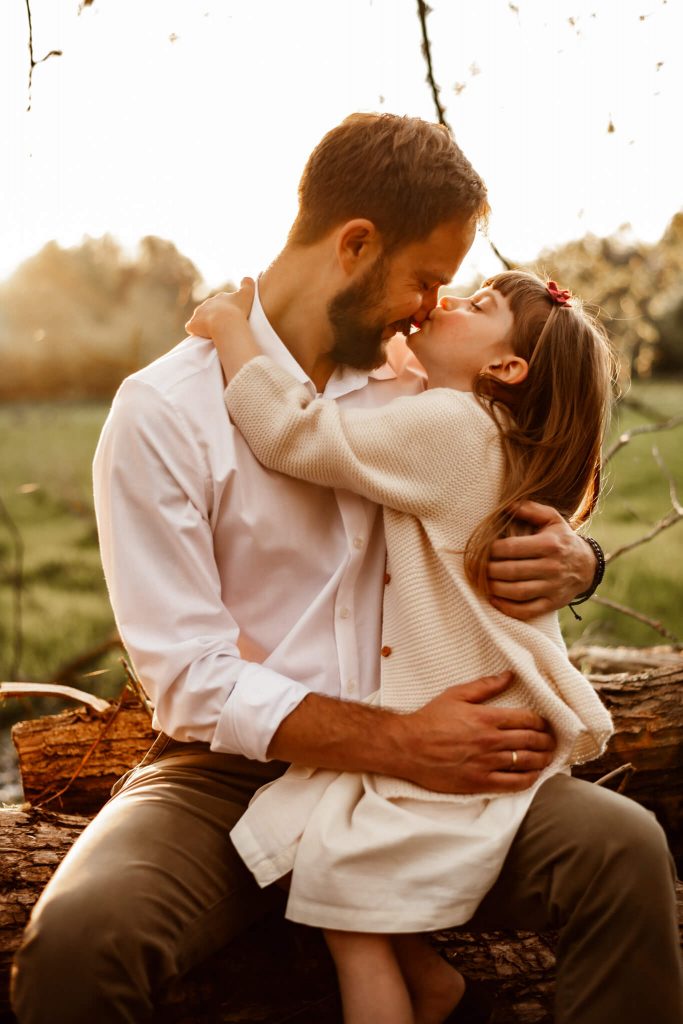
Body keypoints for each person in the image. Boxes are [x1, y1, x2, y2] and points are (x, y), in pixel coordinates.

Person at [10, 114, 682, 1024]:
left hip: (434, 769)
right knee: (81, 940)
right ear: (356, 245)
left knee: (624, 851)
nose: (430, 307)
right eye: (425, 279)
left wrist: (580, 559)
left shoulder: (430, 383)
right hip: (231, 772)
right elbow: (191, 680)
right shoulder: (164, 412)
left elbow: (521, 471)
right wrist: (399, 741)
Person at [183, 269, 613, 1024]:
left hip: (467, 730)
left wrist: (226, 325)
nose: (446, 301)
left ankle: (421, 990)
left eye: (476, 305)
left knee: (344, 913)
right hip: (487, 715)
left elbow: (294, 434)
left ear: (505, 367)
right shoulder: (489, 432)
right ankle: (430, 979)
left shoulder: (452, 425)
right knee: (299, 832)